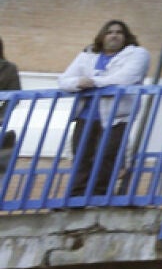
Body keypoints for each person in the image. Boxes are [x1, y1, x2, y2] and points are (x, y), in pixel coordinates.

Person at [57, 19, 151, 202]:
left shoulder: (137, 54)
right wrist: (78, 82)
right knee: (81, 157)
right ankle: (75, 198)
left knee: (107, 157)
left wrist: (92, 82)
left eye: (119, 32)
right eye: (109, 32)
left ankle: (99, 198)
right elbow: (64, 80)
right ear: (102, 36)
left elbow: (126, 79)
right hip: (85, 116)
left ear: (126, 37)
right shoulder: (88, 54)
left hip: (116, 117)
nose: (114, 35)